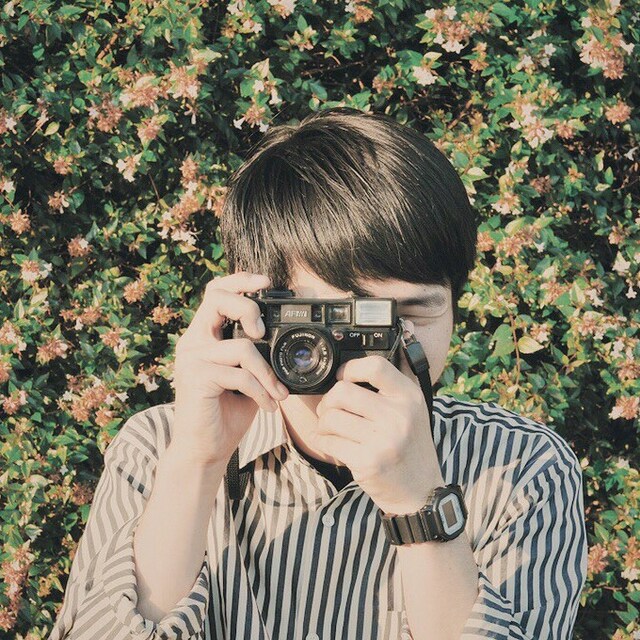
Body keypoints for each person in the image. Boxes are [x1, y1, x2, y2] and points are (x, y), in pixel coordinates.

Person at [48, 107, 587, 640]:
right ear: (254, 305)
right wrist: (196, 463)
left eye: (410, 315)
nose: (376, 351)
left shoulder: (524, 469)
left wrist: (420, 508)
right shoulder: (157, 448)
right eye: (337, 318)